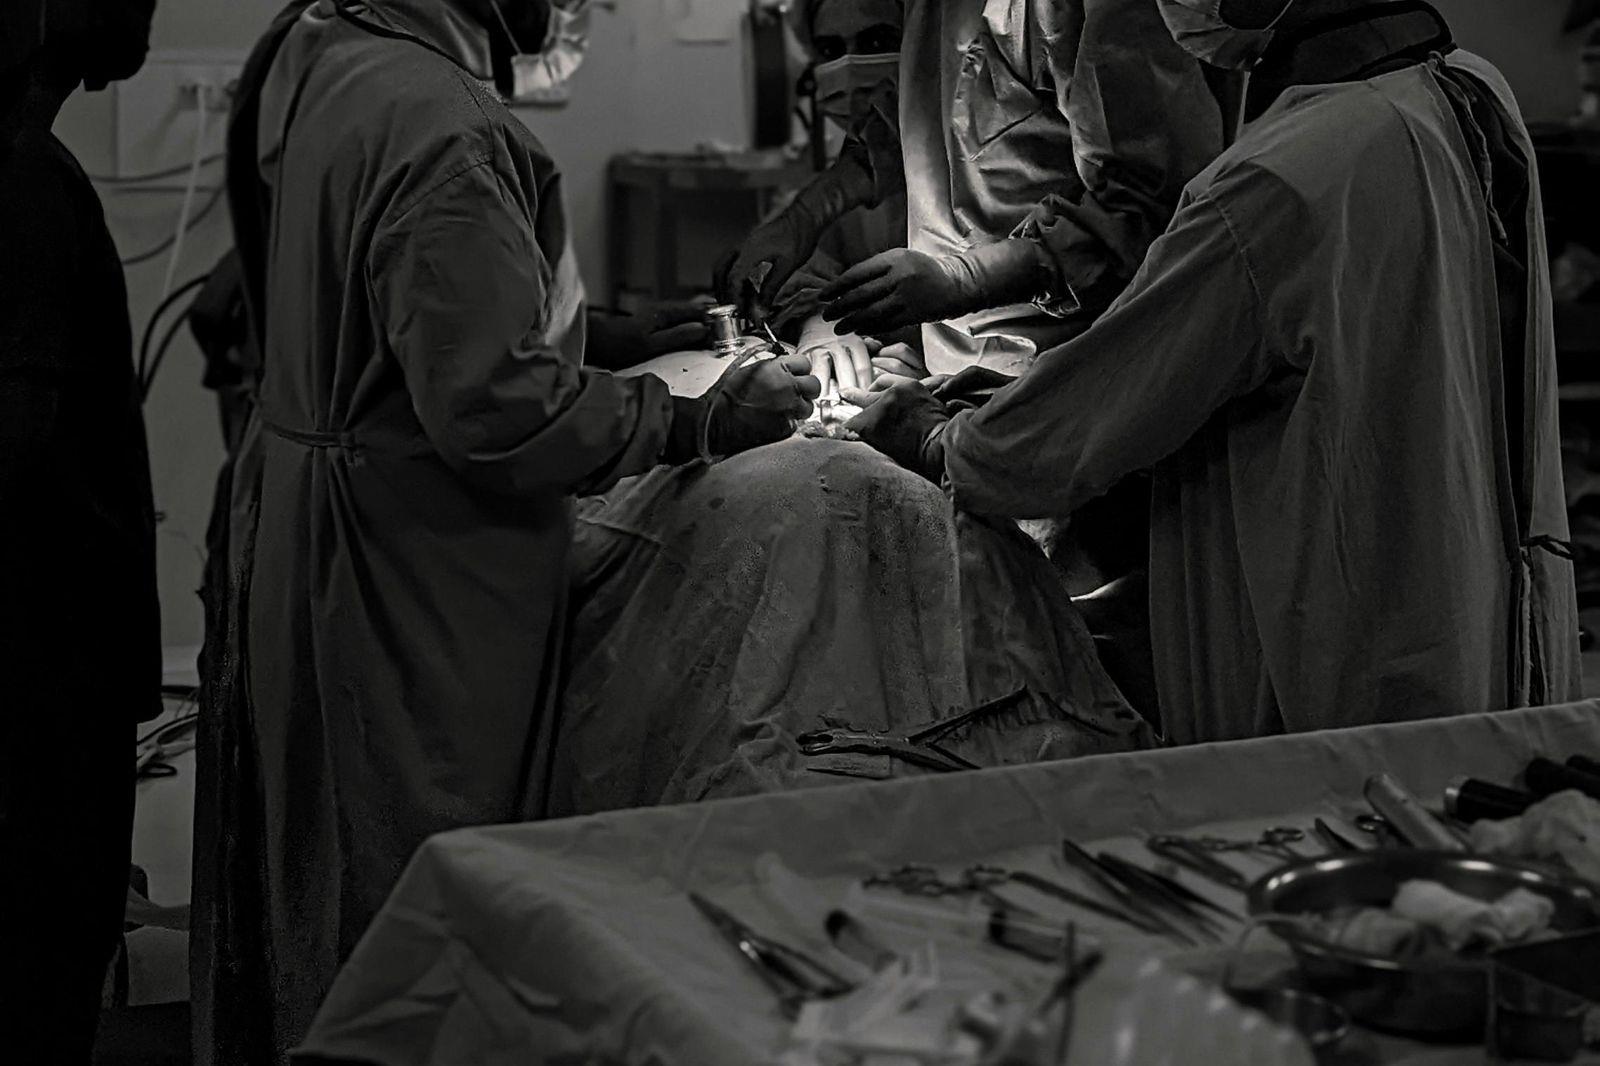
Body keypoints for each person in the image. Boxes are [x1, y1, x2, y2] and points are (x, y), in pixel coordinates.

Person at [202, 1, 819, 1059]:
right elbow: (493, 406)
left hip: (316, 526)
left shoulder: (328, 53)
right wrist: (695, 418)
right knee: (413, 893)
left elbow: (416, 314)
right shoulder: (445, 128)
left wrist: (608, 338)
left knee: (325, 878)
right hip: (405, 569)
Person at [842, 0, 1582, 743]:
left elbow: (1091, 416)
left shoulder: (1278, 183)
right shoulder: (1461, 92)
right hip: (1460, 601)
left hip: (1343, 669)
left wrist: (939, 439)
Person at [721, 0, 1224, 378]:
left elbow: (1152, 209)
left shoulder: (1082, 10)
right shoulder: (933, 9)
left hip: (1073, 374)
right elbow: (922, 122)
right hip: (962, 383)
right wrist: (803, 218)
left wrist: (969, 280)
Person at [0, 0, 162, 1060]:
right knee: (42, 971)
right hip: (42, 677)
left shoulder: (33, 170)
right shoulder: (28, 185)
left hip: (48, 669)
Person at [765, 0, 913, 394]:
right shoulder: (839, 185)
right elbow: (800, 277)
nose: (848, 69)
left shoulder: (990, 166)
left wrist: (942, 359)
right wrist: (819, 323)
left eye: (876, 42)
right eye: (830, 50)